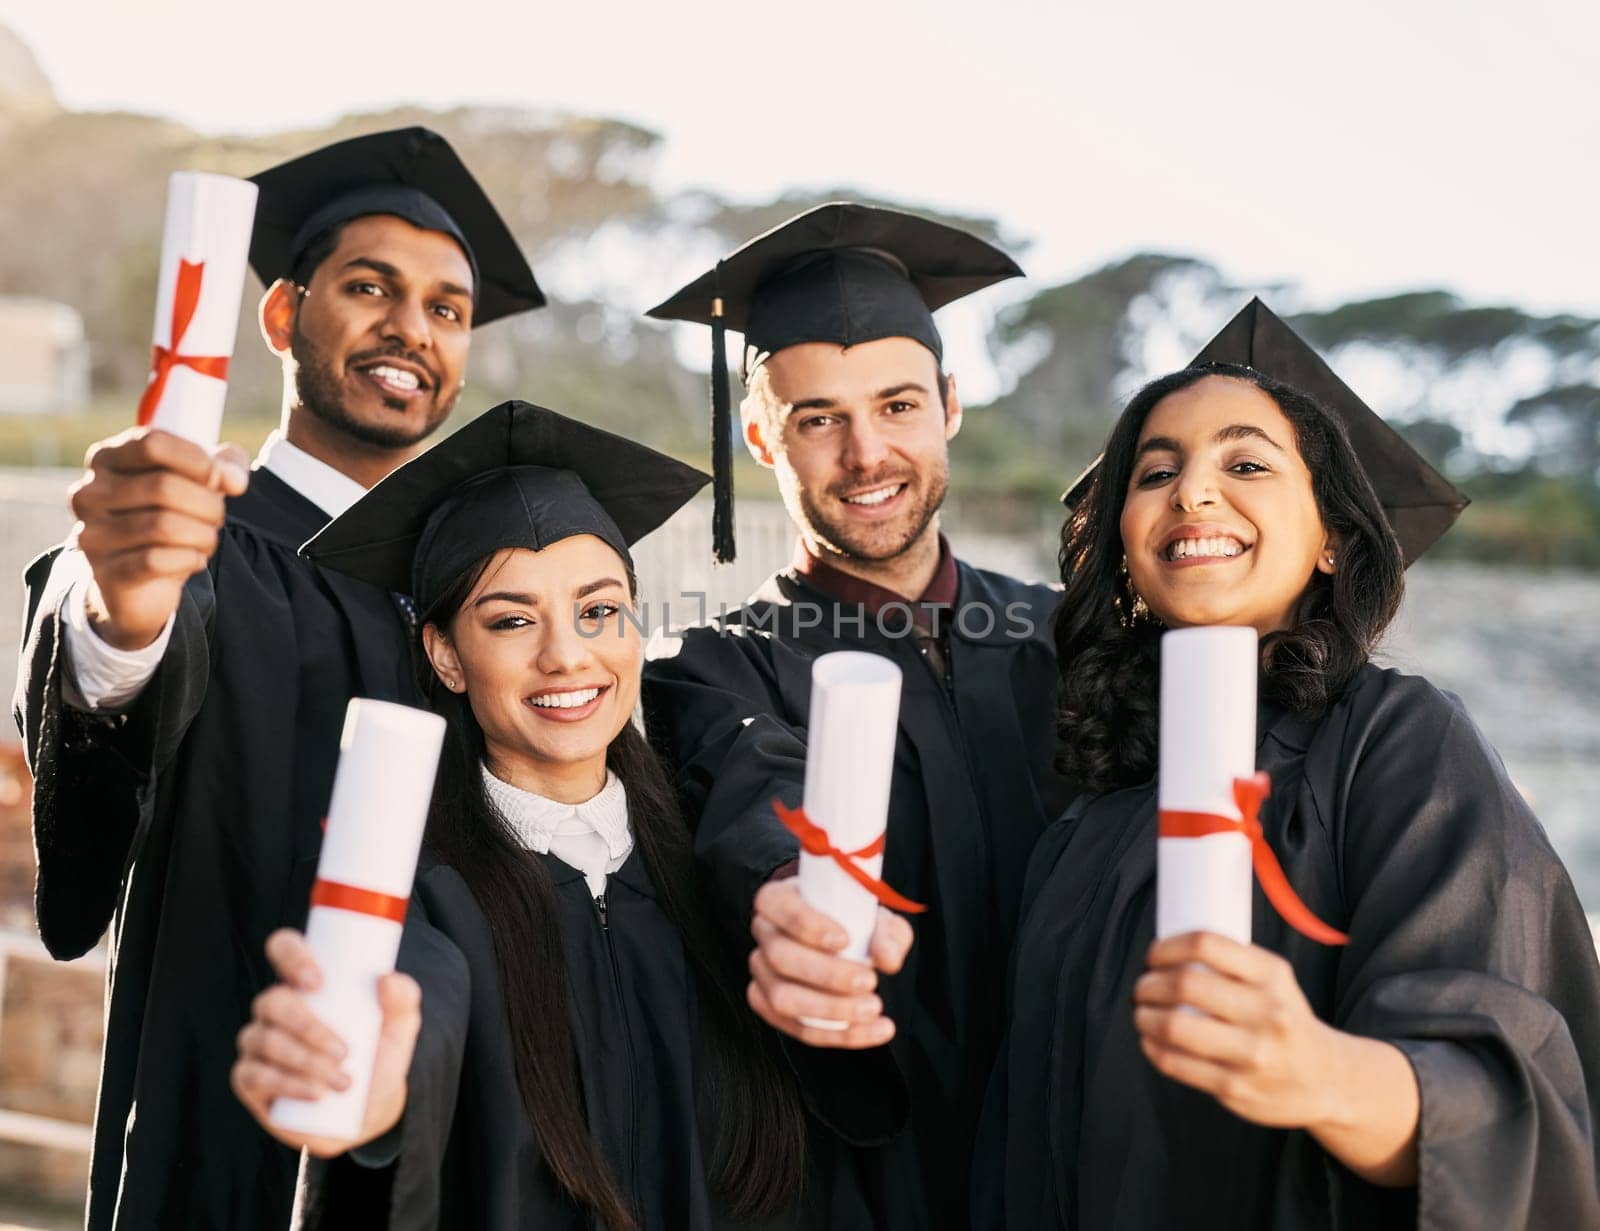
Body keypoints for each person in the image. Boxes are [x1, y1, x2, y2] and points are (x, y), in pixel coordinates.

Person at [11, 127, 543, 1229]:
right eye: (369, 287)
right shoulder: (198, 535)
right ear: (283, 314)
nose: (412, 327)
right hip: (219, 1115)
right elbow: (128, 634)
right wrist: (123, 602)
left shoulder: (474, 591)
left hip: (442, 1136)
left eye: (447, 308)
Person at [972, 300, 1600, 1228]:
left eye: (1246, 462)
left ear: (1333, 537)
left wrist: (1319, 1070)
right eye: (1156, 471)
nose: (1192, 493)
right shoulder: (1092, 807)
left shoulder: (1399, 743)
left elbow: (1501, 1085)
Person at [231, 401, 899, 1229]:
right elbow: (415, 995)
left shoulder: (714, 863)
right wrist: (374, 1095)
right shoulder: (409, 889)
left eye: (599, 610)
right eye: (511, 620)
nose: (567, 655)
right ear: (444, 654)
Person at [643, 203, 1079, 1228]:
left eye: (895, 406)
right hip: (864, 1186)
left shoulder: (1070, 641)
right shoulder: (719, 668)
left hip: (1074, 1162)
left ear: (950, 405)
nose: (866, 451)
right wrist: (793, 893)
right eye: (817, 418)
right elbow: (752, 794)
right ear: (759, 434)